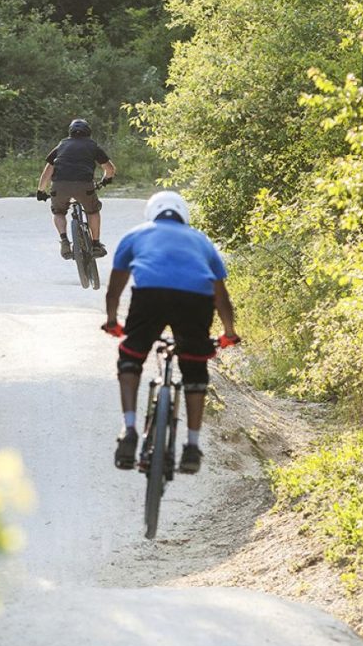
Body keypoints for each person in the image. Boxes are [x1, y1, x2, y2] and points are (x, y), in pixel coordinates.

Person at [102, 190, 238, 475]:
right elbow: (220, 295)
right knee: (194, 367)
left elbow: (115, 288)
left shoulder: (136, 235)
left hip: (149, 296)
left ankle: (129, 430)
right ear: (183, 215)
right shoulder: (202, 241)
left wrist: (113, 321)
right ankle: (191, 446)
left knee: (130, 355)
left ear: (151, 213)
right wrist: (229, 332)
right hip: (195, 300)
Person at [36, 118, 116, 259]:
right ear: (88, 132)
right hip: (84, 186)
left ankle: (65, 240)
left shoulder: (61, 146)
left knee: (59, 212)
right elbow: (110, 169)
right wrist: (106, 179)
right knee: (92, 211)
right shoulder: (92, 146)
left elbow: (47, 171)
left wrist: (41, 190)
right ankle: (96, 244)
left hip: (60, 186)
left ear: (70, 132)